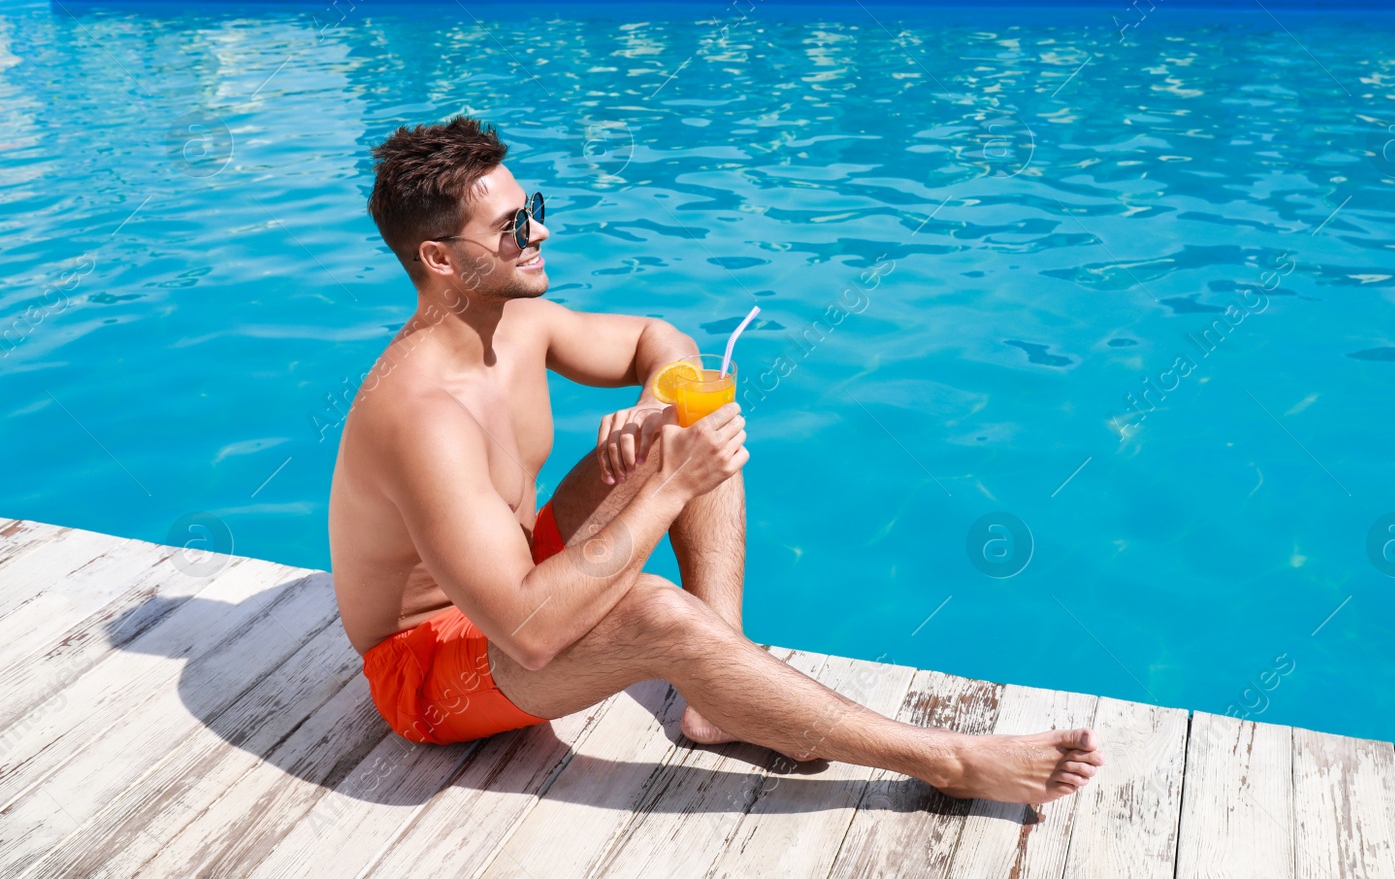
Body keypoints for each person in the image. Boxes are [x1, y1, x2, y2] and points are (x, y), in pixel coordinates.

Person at [328, 115, 1105, 806]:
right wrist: (665, 488)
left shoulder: (520, 322)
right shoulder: (421, 415)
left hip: (514, 580)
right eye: (511, 227)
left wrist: (659, 401)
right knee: (659, 605)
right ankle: (949, 760)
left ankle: (716, 701)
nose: (539, 234)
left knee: (697, 417)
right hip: (430, 672)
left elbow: (658, 339)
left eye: (535, 210)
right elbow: (529, 632)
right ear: (438, 256)